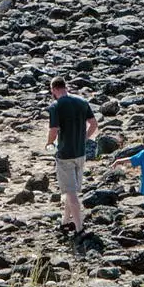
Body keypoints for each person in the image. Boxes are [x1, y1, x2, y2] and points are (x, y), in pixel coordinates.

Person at [46, 79, 97, 234]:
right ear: (65, 87)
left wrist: (49, 143)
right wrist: (85, 138)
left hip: (64, 154)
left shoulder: (56, 106)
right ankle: (65, 222)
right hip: (80, 152)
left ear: (53, 89)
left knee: (70, 192)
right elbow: (94, 124)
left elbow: (54, 130)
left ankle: (79, 227)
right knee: (72, 189)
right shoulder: (82, 101)